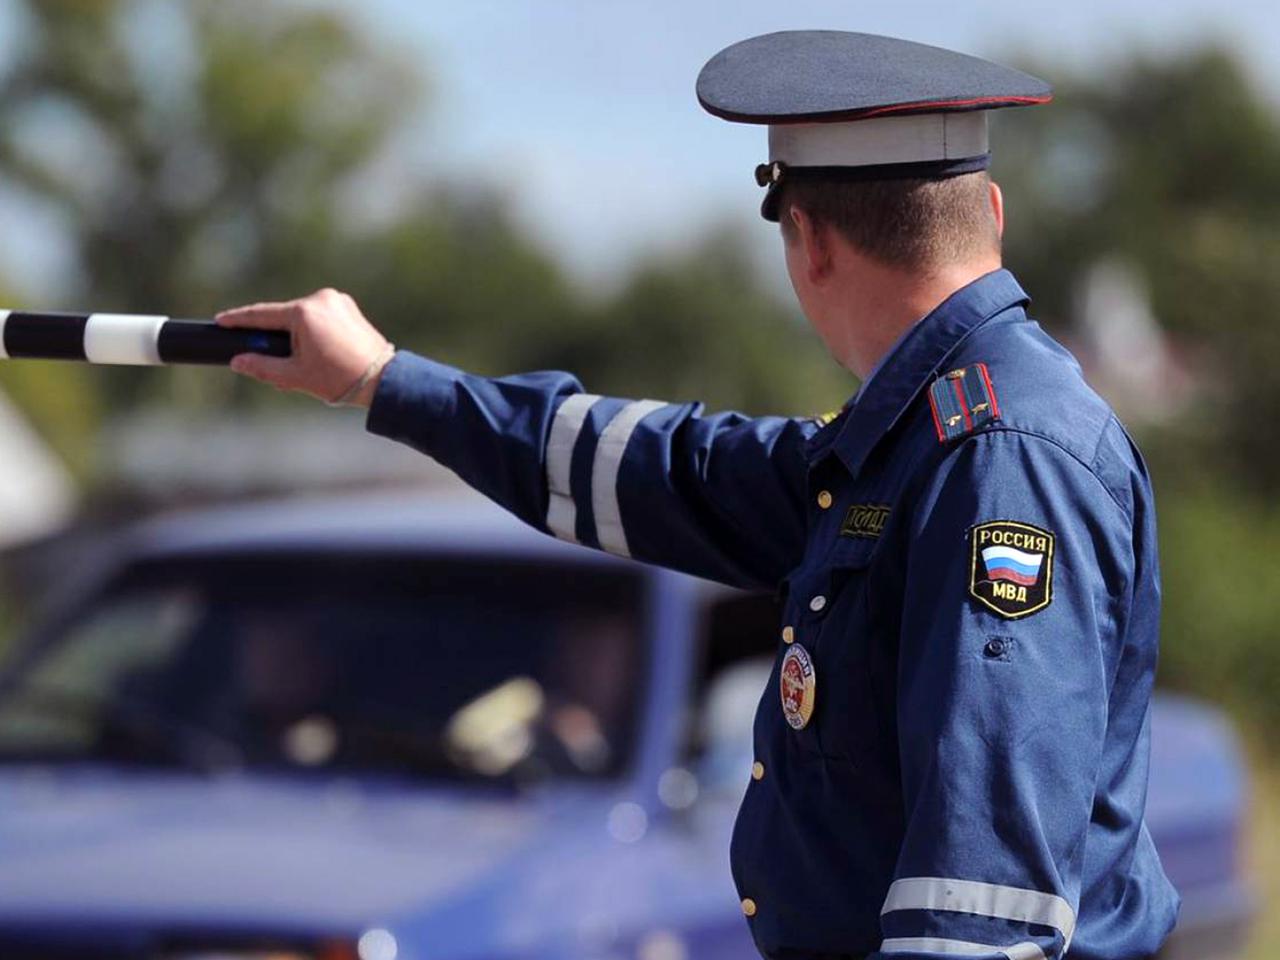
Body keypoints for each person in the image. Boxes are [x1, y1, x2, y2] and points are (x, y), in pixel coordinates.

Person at [218, 30, 1179, 960]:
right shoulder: (922, 438)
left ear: (806, 237)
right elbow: (667, 469)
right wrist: (385, 380)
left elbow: (981, 909)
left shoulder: (995, 456)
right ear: (993, 212)